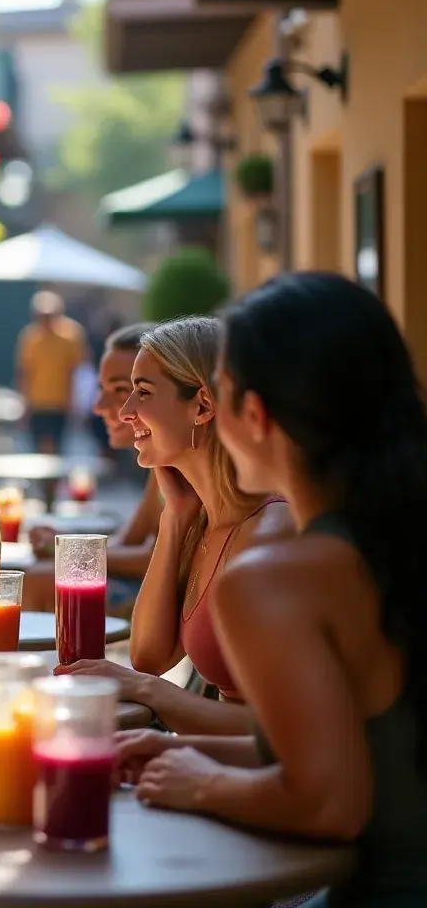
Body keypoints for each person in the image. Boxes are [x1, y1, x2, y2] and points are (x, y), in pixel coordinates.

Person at [115, 273, 427, 906]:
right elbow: (359, 747)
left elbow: (328, 801)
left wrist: (198, 779)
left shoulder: (274, 577)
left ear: (250, 413)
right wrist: (187, 747)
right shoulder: (390, 540)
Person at [58, 316, 293, 735]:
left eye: (142, 393)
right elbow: (149, 655)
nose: (126, 411)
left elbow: (288, 736)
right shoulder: (203, 520)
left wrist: (149, 692)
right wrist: (176, 516)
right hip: (212, 767)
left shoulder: (267, 535)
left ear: (202, 405)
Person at [29, 322, 161, 616]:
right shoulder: (159, 468)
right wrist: (65, 544)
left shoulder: (178, 467)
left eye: (122, 389)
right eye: (102, 388)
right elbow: (129, 542)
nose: (99, 405)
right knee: (39, 573)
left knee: (37, 580)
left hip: (177, 603)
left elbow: (160, 559)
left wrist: (66, 550)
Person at [15, 290, 86, 454]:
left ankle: (55, 481)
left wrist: (77, 403)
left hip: (60, 404)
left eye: (49, 315)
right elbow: (24, 372)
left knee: (57, 450)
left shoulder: (70, 336)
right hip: (36, 403)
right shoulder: (30, 338)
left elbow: (77, 372)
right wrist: (23, 404)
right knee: (38, 450)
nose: (45, 320)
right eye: (41, 316)